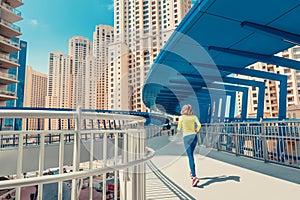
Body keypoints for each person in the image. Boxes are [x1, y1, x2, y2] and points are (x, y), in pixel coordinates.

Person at [177, 104, 201, 187]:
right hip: (194, 137)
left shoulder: (181, 118)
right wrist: (196, 130)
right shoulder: (194, 117)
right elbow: (199, 125)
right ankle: (192, 171)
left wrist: (181, 127)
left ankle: (194, 177)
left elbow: (179, 128)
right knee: (191, 155)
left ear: (183, 110)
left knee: (190, 156)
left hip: (187, 138)